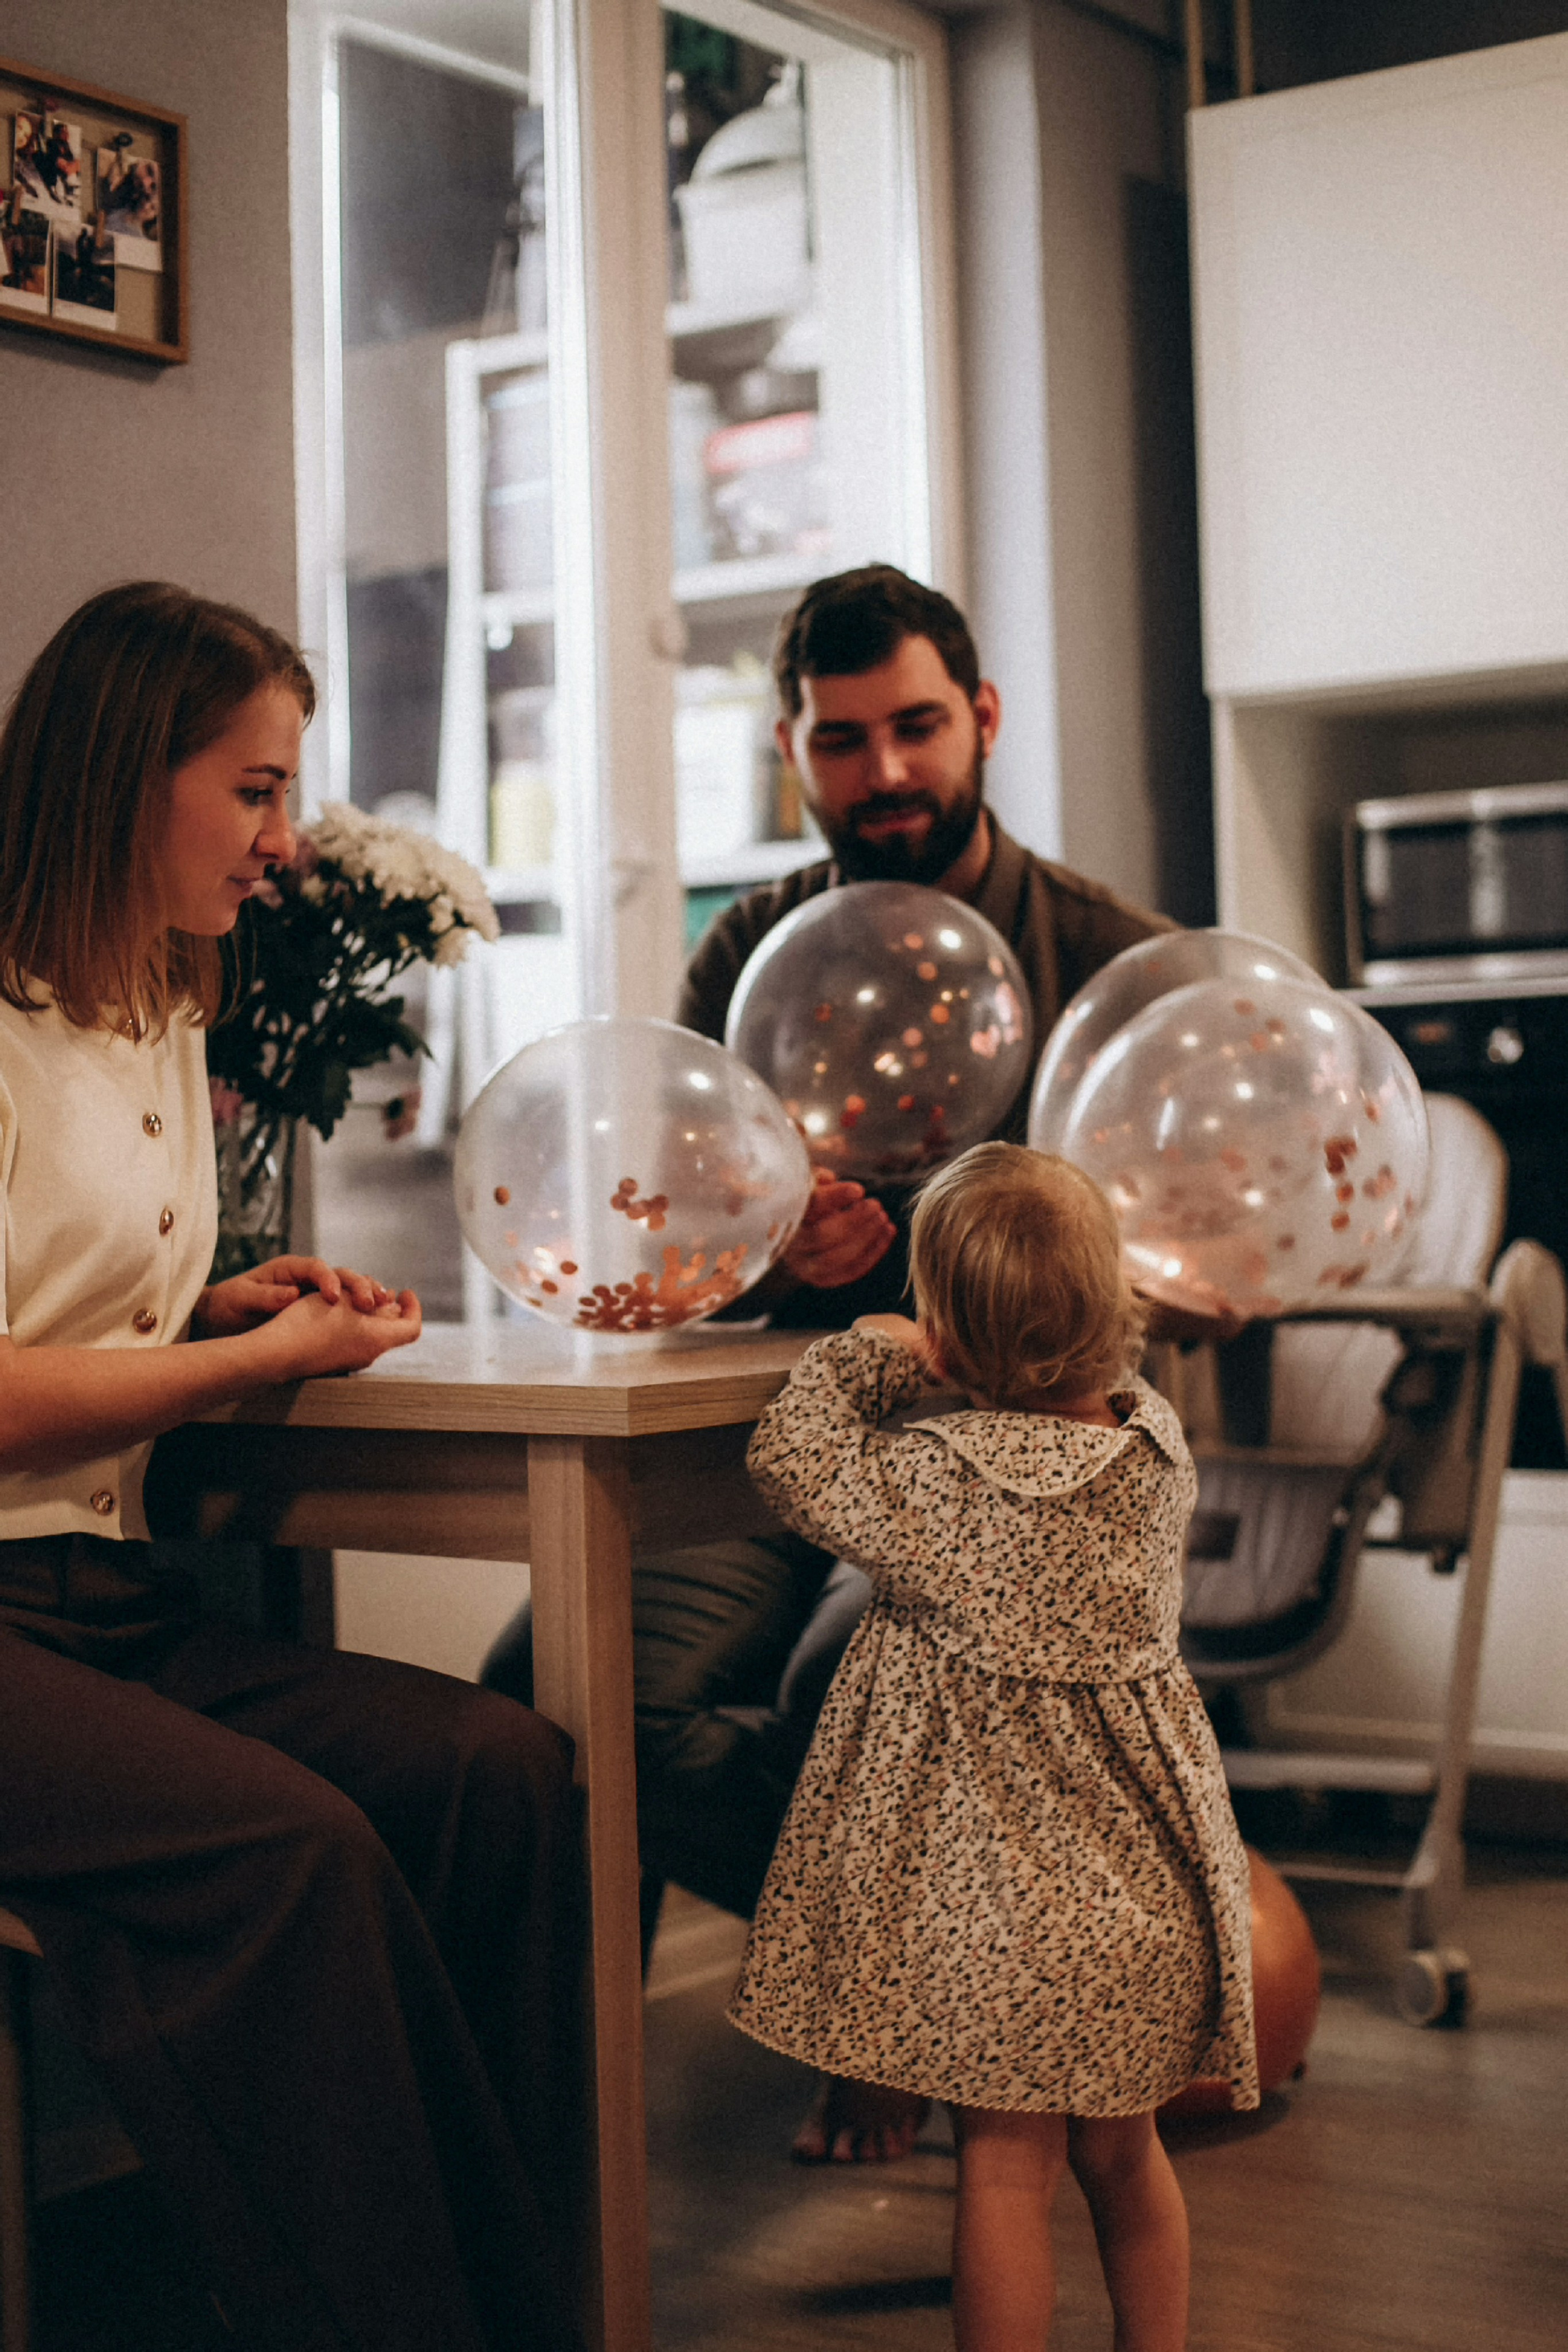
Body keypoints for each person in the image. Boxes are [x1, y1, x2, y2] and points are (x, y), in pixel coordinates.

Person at [486, 563, 1193, 2158]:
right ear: (792, 750)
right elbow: (662, 1248)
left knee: (851, 1689)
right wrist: (764, 1254)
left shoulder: (1113, 963)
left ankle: (901, 2010)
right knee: (560, 1691)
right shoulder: (751, 952)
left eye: (916, 728)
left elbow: (1191, 1285)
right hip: (780, 1451)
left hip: (1021, 1493)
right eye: (841, 739)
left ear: (982, 718)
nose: (884, 772)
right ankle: (840, 2004)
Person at [0, 582, 580, 2352]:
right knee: (299, 1851)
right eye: (254, 791)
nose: (284, 842)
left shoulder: (161, 1012)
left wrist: (212, 1308)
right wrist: (241, 1364)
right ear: (127, 775)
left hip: (99, 1600)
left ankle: (516, 2306)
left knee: (499, 1772)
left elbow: (62, 1314)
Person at [731, 1142, 1258, 2351]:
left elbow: (789, 1453)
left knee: (1005, 2174)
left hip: (993, 1925)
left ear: (947, 1336)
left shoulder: (931, 1485)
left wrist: (880, 1350)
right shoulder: (1156, 1452)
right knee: (1125, 2160)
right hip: (1142, 1905)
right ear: (1112, 1303)